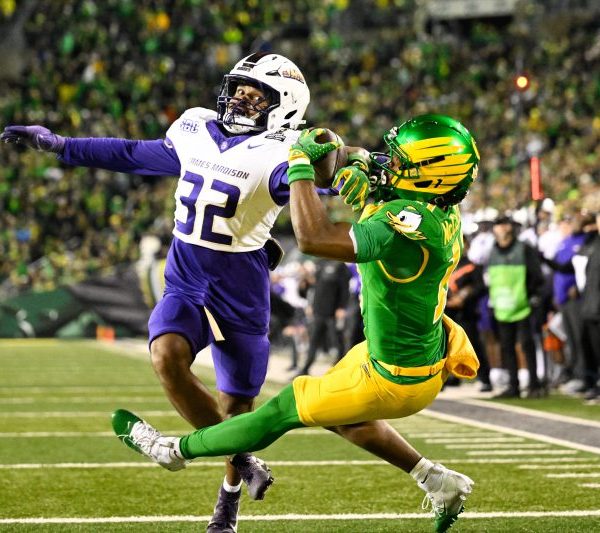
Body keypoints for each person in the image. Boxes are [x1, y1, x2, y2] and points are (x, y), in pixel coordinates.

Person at [111, 114, 481, 533]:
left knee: (283, 409)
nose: (390, 163)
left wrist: (301, 166)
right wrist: (363, 169)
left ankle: (174, 451)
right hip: (406, 353)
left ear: (432, 177)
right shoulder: (438, 208)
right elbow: (379, 175)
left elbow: (315, 238)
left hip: (394, 376)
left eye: (401, 161)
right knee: (344, 417)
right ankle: (437, 480)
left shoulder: (409, 225)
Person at [1, 51, 313, 533]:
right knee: (166, 356)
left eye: (256, 96)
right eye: (238, 89)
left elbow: (322, 183)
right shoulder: (195, 128)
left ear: (285, 107)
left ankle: (227, 508)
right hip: (186, 277)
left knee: (237, 407)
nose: (240, 99)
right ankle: (243, 459)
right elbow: (130, 154)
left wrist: (353, 168)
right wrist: (62, 144)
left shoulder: (282, 152)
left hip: (241, 287)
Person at [487, 215, 546, 398]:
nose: (502, 228)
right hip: (502, 306)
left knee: (527, 345)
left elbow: (537, 275)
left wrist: (531, 296)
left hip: (523, 305)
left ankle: (534, 385)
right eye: (498, 224)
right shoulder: (492, 251)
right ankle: (513, 386)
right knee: (507, 347)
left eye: (505, 224)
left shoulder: (524, 249)